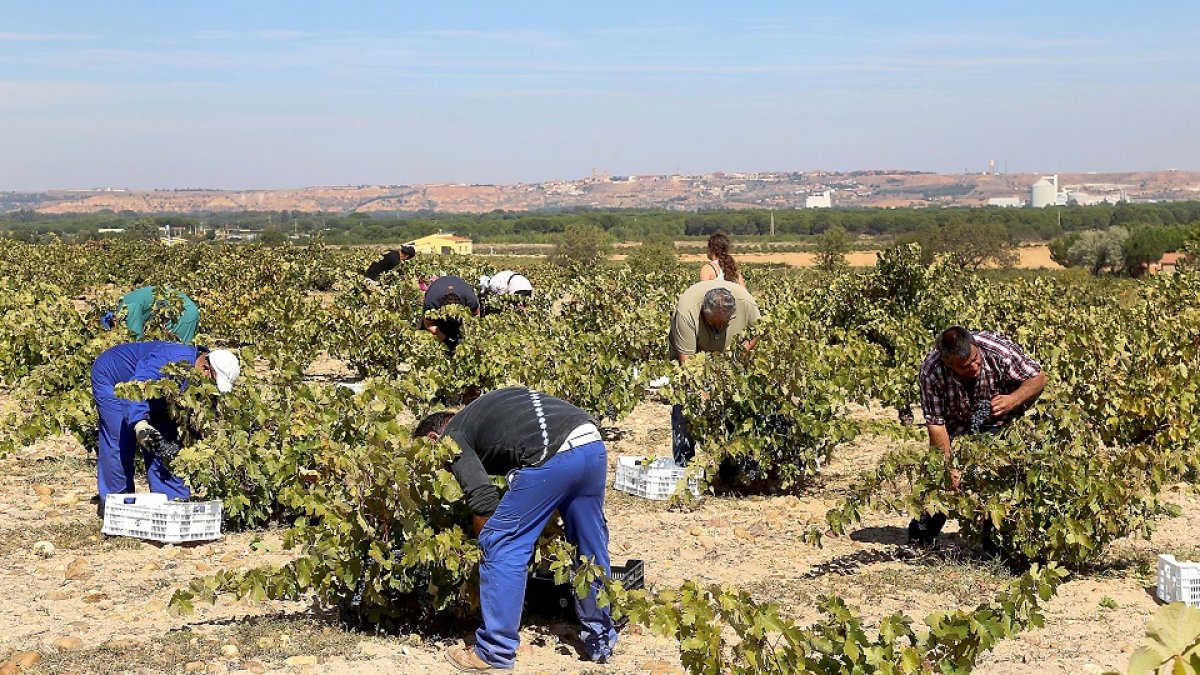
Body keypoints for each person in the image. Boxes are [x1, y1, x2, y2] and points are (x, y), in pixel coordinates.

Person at [414, 387, 617, 671]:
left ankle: (494, 652)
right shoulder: (483, 413)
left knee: (501, 543)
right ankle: (600, 639)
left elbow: (483, 500)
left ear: (434, 439)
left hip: (553, 453)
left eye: (433, 459)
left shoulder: (453, 436)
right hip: (590, 442)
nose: (443, 470)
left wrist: (485, 552)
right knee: (589, 544)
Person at [909, 326, 1046, 547]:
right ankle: (921, 538)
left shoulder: (998, 350)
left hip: (1000, 423)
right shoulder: (932, 372)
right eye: (965, 366)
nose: (974, 367)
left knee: (1001, 478)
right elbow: (936, 425)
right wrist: (947, 467)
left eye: (976, 360)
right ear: (948, 363)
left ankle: (997, 539)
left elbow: (1038, 378)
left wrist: (1013, 399)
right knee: (940, 479)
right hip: (957, 426)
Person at [92, 341, 241, 516]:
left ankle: (174, 502)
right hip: (115, 378)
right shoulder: (171, 360)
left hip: (155, 395)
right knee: (121, 438)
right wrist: (140, 424)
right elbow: (136, 388)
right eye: (215, 383)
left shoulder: (200, 379)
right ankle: (115, 506)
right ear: (206, 369)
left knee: (165, 443)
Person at [669, 280, 761, 465]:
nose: (719, 329)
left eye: (723, 325)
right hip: (694, 356)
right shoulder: (686, 312)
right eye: (713, 325)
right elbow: (687, 365)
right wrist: (702, 394)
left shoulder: (746, 303)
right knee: (686, 403)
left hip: (729, 358)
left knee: (735, 405)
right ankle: (684, 463)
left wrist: (742, 353)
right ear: (704, 312)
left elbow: (759, 330)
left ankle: (730, 462)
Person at [100, 286, 200, 344]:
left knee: (179, 353)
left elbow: (137, 341)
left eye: (113, 328)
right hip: (178, 310)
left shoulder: (128, 309)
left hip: (184, 312)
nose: (116, 331)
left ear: (114, 319)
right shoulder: (125, 303)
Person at [422, 275, 481, 352]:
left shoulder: (470, 299)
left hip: (459, 285)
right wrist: (446, 340)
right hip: (436, 288)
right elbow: (429, 324)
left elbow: (476, 317)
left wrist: (470, 335)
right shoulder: (431, 303)